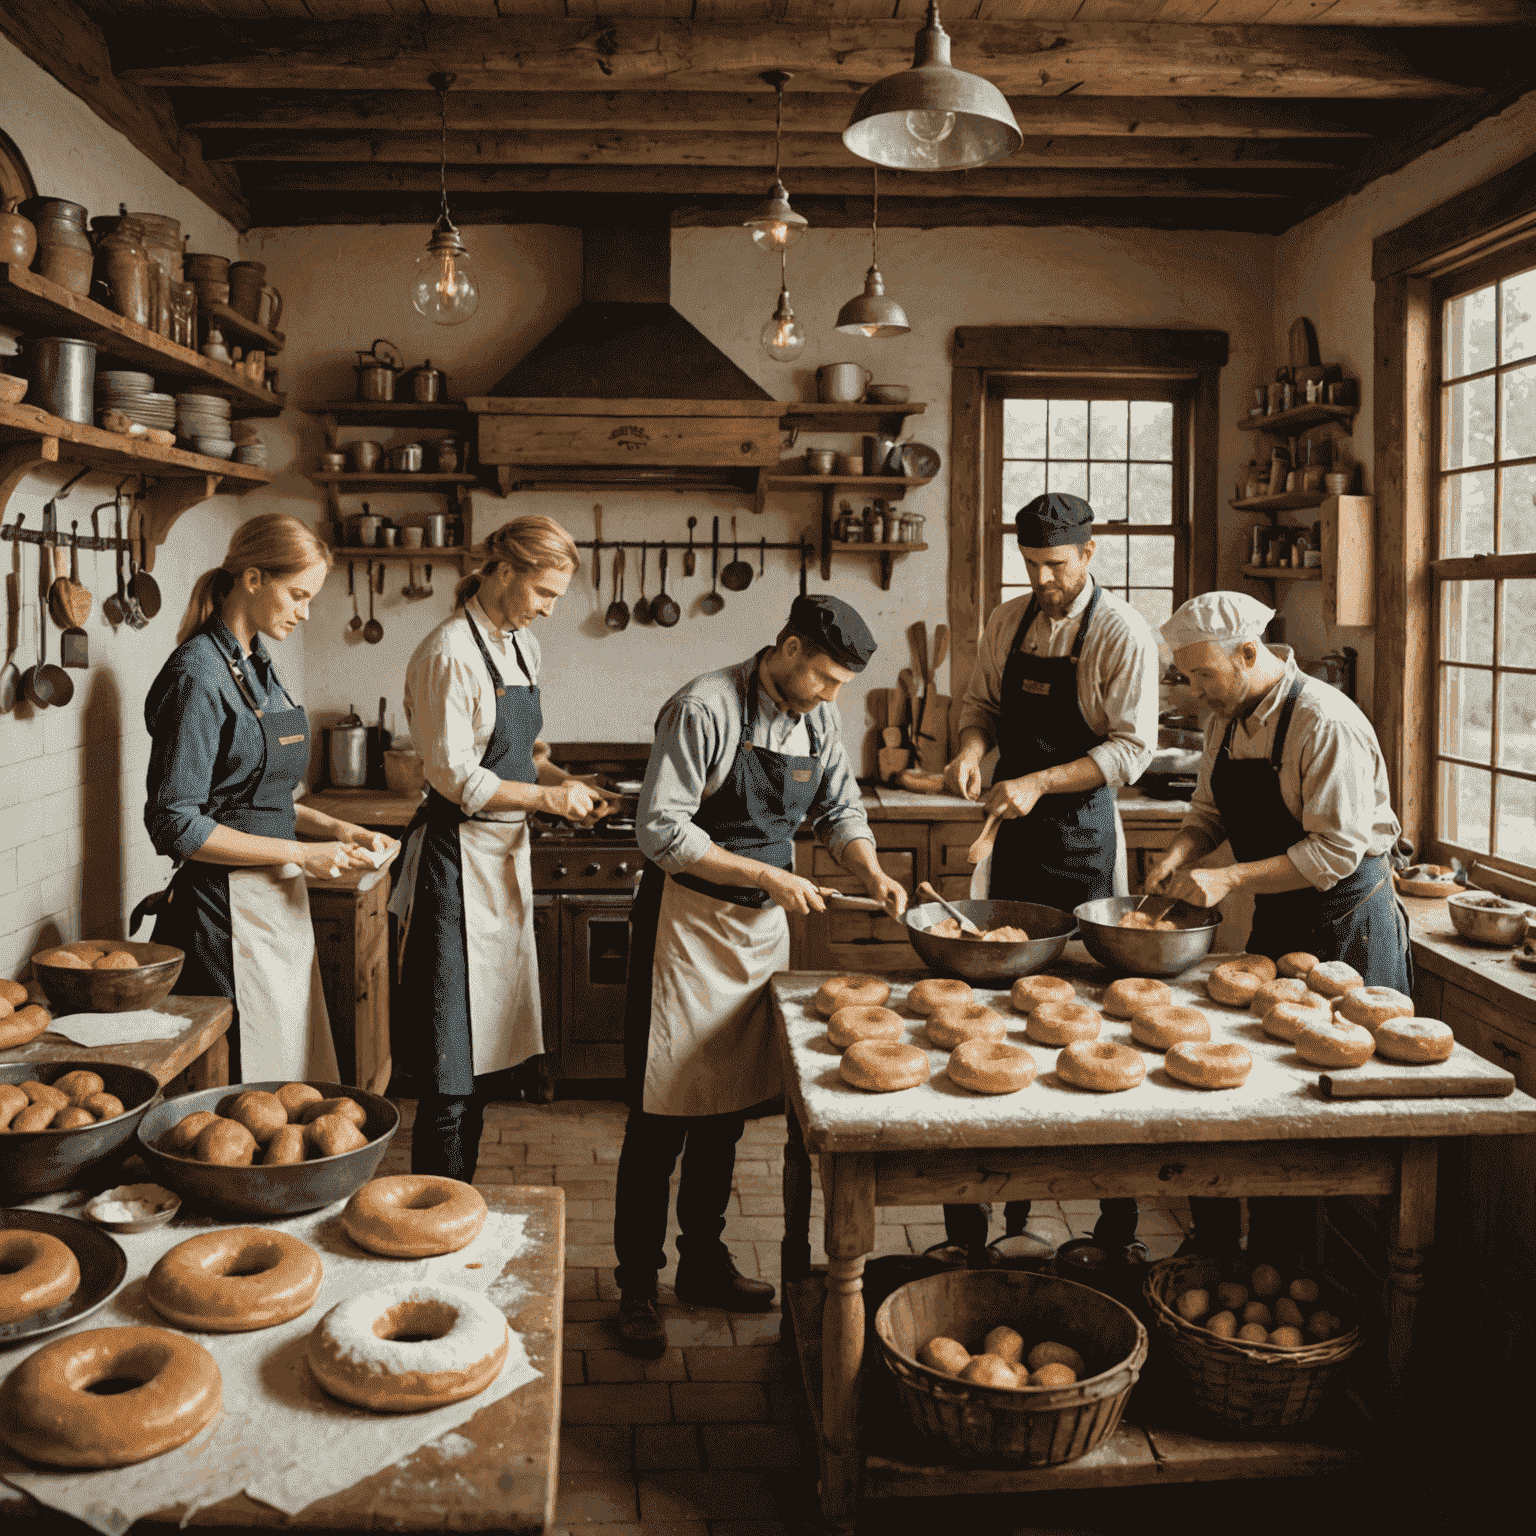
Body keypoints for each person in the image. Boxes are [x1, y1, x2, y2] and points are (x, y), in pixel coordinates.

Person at [614, 595, 907, 1358]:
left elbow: (840, 809)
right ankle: (637, 1286)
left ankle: (703, 1265)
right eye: (825, 677)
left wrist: (870, 869)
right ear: (786, 647)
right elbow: (660, 829)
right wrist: (767, 876)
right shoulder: (704, 707)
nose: (833, 695)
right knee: (661, 1117)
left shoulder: (817, 718)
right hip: (687, 925)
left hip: (757, 933)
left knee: (727, 1108)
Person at [1145, 590, 1410, 1261]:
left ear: (1247, 653)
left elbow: (1334, 852)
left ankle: (1335, 1272)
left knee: (1342, 1112)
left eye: (1204, 674)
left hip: (1350, 921)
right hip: (1280, 919)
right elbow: (1208, 812)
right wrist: (1176, 860)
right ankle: (1249, 1257)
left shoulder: (1323, 723)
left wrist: (1228, 879)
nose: (1196, 691)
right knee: (1263, 1094)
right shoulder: (1227, 718)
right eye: (1187, 676)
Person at [941, 491, 1160, 1261]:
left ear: (1090, 553)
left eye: (1056, 565)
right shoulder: (1009, 621)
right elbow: (978, 707)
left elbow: (1132, 752)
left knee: (1096, 1023)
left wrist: (1038, 783)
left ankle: (1116, 1228)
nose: (1042, 579)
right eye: (1031, 564)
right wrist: (971, 750)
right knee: (996, 1023)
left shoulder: (1123, 634)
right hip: (1014, 844)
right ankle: (988, 1221)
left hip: (1083, 843)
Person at [391, 516, 608, 1183]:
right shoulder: (449, 652)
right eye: (544, 591)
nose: (550, 609)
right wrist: (549, 802)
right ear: (504, 571)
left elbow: (523, 754)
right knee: (451, 1068)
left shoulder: (519, 646)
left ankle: (461, 1206)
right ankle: (437, 1216)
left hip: (501, 858)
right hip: (456, 866)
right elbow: (455, 777)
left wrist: (560, 780)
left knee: (483, 1060)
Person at [141, 513, 391, 1082]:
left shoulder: (256, 665)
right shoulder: (197, 674)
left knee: (287, 1079)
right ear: (253, 578)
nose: (304, 613)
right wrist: (301, 854)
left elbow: (256, 798)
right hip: (223, 916)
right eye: (298, 595)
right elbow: (177, 823)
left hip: (276, 901)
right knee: (243, 1092)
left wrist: (335, 830)